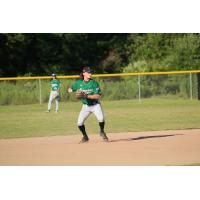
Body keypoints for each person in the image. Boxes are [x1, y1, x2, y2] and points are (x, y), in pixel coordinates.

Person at [68, 66, 108, 143]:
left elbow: (98, 95)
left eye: (91, 72)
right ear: (84, 73)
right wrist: (70, 90)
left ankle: (102, 131)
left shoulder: (94, 83)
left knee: (101, 119)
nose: (90, 73)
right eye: (89, 72)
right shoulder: (79, 83)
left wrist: (86, 96)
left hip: (95, 105)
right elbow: (71, 88)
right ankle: (85, 137)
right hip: (85, 106)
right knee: (79, 123)